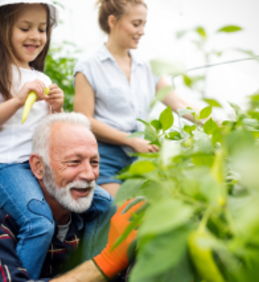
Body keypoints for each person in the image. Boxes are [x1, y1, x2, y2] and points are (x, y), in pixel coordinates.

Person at [0, 1, 109, 278]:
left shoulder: (40, 77)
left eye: (42, 29)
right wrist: (18, 99)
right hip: (2, 168)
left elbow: (47, 133)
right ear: (0, 28)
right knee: (40, 223)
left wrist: (56, 110)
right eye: (25, 27)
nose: (36, 36)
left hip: (37, 167)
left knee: (103, 205)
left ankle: (90, 271)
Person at [0, 113, 144, 281]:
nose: (89, 174)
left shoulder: (98, 219)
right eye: (74, 162)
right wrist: (105, 263)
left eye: (94, 162)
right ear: (39, 167)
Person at [73, 0, 201, 198]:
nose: (142, 31)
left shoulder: (147, 67)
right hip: (103, 156)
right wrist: (130, 141)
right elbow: (83, 119)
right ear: (113, 21)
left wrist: (217, 123)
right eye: (136, 23)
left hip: (140, 154)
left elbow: (179, 104)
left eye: (144, 24)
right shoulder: (89, 66)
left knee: (146, 212)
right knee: (116, 212)